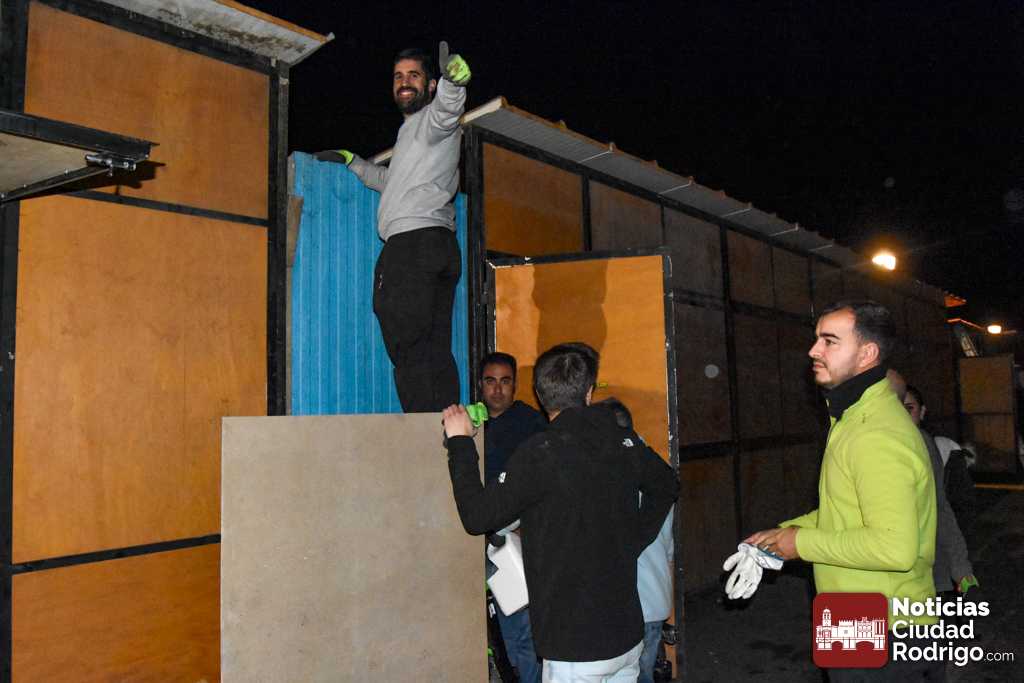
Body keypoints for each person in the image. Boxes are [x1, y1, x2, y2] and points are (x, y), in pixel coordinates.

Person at [443, 343, 678, 681]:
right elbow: (668, 485)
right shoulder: (623, 440)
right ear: (589, 391)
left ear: (540, 395)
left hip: (574, 647)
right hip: (627, 637)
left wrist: (460, 442)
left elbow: (477, 517)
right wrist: (633, 540)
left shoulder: (540, 453)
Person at [744, 301, 940, 681]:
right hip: (851, 613)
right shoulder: (851, 418)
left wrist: (799, 544)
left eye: (829, 341)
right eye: (817, 338)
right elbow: (846, 512)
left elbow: (893, 548)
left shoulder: (875, 433)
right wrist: (781, 535)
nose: (813, 350)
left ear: (867, 354)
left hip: (886, 624)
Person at [317, 47, 471, 412]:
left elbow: (448, 110)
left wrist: (454, 83)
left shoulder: (432, 120)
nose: (404, 82)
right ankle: (453, 429)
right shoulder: (412, 134)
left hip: (413, 245)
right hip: (439, 245)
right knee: (434, 347)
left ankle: (421, 429)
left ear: (430, 85)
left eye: (414, 75)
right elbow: (393, 181)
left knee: (407, 341)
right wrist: (355, 162)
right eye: (398, 76)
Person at [479, 352, 546, 683]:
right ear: (481, 385)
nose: (497, 389)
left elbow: (546, 481)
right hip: (476, 538)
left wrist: (526, 527)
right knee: (490, 635)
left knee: (520, 631)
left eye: (505, 381)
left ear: (515, 385)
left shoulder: (531, 425)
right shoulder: (471, 423)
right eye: (490, 381)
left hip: (514, 542)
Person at [899, 382, 978, 595]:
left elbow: (942, 507)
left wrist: (961, 569)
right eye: (896, 409)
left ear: (923, 411)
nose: (902, 415)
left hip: (926, 564)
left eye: (909, 408)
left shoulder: (928, 445)